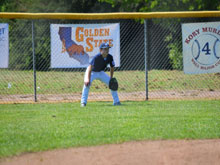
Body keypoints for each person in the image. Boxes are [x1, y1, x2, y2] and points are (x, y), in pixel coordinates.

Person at [81, 43, 121, 107]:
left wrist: (111, 77)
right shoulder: (97, 57)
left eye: (107, 49)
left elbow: (112, 67)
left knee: (112, 84)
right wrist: (87, 79)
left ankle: (116, 102)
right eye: (105, 49)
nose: (106, 50)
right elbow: (89, 68)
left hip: (100, 72)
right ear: (100, 50)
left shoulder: (110, 57)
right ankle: (83, 102)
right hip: (92, 72)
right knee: (87, 84)